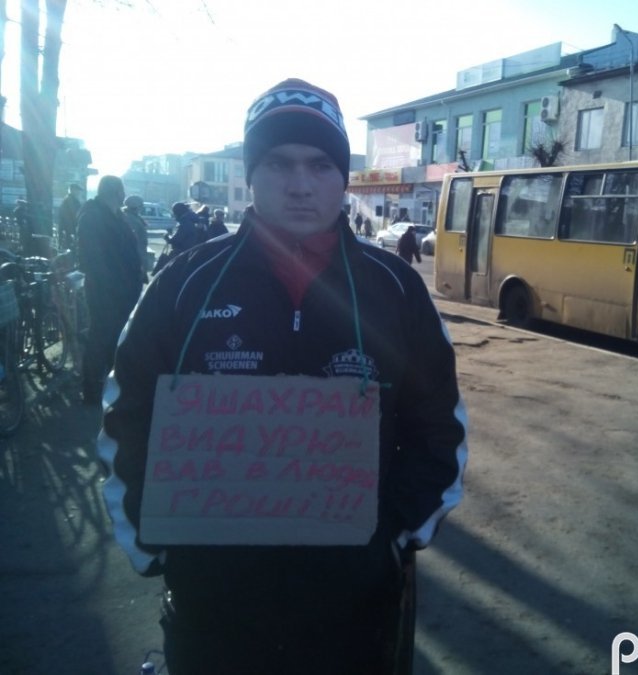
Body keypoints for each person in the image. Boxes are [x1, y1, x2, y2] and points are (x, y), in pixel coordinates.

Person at [98, 78, 468, 675]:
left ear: (343, 177)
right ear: (251, 173)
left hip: (353, 614)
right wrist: (157, 546)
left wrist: (389, 541)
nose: (300, 184)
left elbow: (439, 430)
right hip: (212, 612)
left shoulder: (396, 290)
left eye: (320, 165)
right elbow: (126, 416)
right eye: (278, 163)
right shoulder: (183, 286)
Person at [76, 175, 143, 405]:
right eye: (121, 191)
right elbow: (91, 258)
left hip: (121, 290)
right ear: (116, 192)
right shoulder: (92, 216)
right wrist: (110, 286)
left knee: (115, 337)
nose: (124, 196)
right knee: (100, 337)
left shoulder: (116, 215)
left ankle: (111, 383)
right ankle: (91, 390)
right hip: (105, 291)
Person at [122, 195, 150, 280]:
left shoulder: (133, 217)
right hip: (134, 258)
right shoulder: (131, 219)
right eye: (141, 205)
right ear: (136, 206)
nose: (142, 208)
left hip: (137, 256)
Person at [57, 183, 84, 251]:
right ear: (73, 190)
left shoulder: (67, 200)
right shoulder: (72, 201)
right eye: (77, 190)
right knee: (70, 250)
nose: (79, 193)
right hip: (70, 232)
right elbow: (74, 217)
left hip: (67, 231)